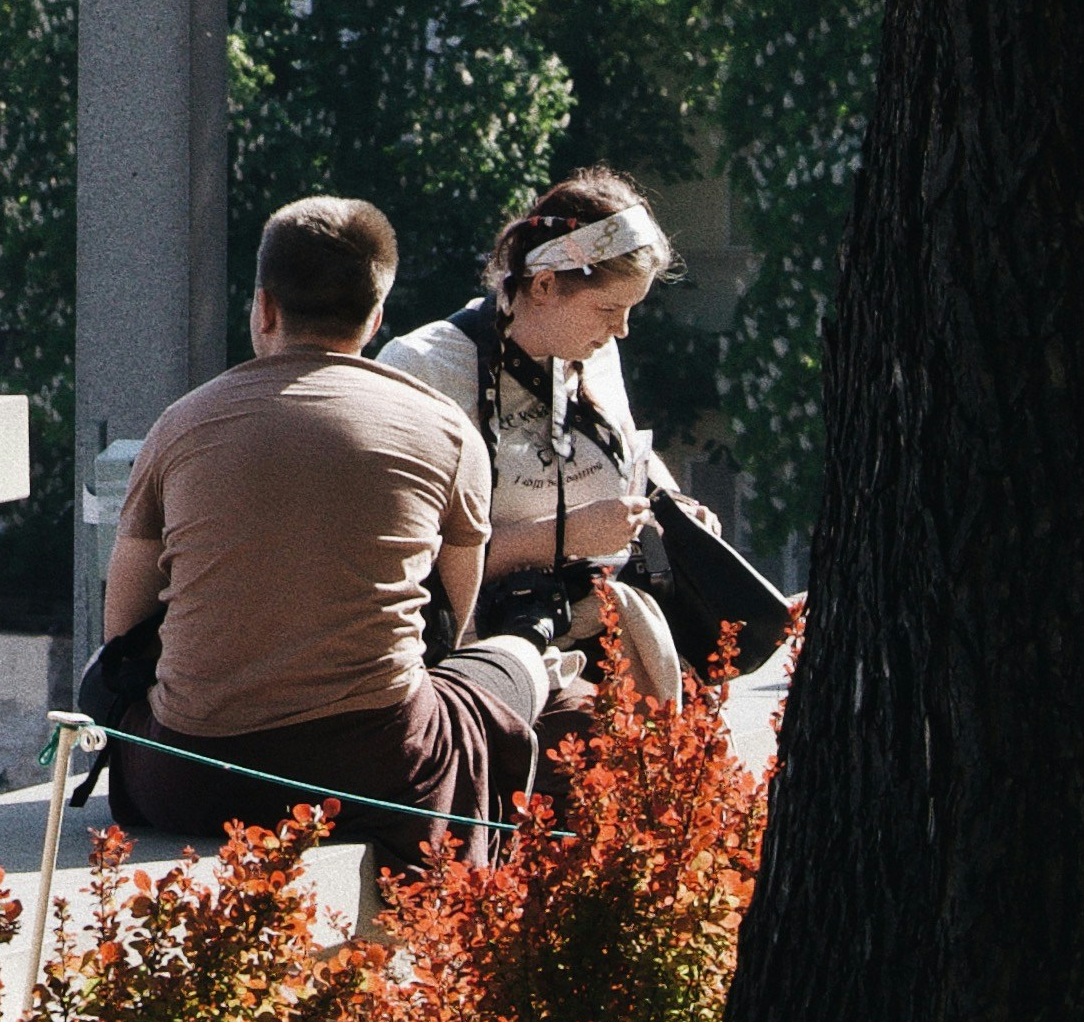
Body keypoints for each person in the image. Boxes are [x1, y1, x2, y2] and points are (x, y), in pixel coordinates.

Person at [97, 194, 566, 869]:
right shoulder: (442, 430)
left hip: (187, 780)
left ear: (263, 307)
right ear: (375, 318)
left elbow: (123, 630)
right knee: (506, 662)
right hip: (372, 777)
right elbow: (449, 624)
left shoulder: (180, 423)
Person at [378, 173, 700, 706]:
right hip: (484, 670)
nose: (621, 330)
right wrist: (565, 536)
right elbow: (407, 564)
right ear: (545, 284)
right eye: (607, 309)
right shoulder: (426, 368)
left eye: (630, 310)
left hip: (615, 646)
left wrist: (672, 506)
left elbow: (625, 449)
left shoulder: (596, 352)